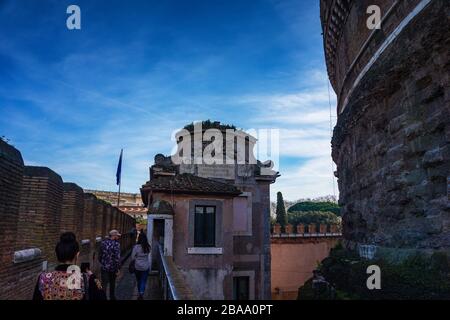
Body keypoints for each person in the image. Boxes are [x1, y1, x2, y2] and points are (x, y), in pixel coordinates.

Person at [33, 232, 101, 300]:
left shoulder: (43, 279)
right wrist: (93, 277)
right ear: (77, 255)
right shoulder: (87, 279)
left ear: (57, 255)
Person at [99, 229, 121, 300]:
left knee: (104, 283)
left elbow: (100, 255)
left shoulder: (103, 243)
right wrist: (118, 268)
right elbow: (117, 257)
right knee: (112, 283)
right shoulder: (116, 244)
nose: (118, 237)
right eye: (117, 236)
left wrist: (103, 262)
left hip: (104, 267)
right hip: (113, 267)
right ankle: (112, 297)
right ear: (114, 236)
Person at [130, 232, 151, 300]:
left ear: (139, 238)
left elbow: (132, 257)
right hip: (145, 267)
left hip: (137, 267)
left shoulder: (136, 247)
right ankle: (141, 293)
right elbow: (148, 254)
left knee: (138, 280)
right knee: (143, 280)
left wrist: (137, 258)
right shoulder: (148, 246)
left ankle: (139, 292)